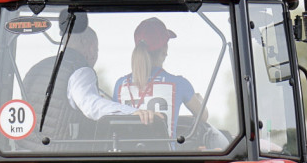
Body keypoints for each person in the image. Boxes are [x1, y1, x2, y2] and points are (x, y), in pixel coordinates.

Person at [21, 11, 153, 142]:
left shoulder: (38, 68)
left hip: (27, 152)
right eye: (96, 49)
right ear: (89, 45)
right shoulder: (79, 69)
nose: (95, 56)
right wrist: (132, 113)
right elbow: (91, 106)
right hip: (58, 154)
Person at [114, 17, 206, 138]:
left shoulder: (120, 85)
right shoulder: (180, 84)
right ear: (164, 50)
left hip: (127, 156)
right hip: (165, 157)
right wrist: (199, 100)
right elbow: (203, 116)